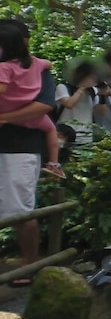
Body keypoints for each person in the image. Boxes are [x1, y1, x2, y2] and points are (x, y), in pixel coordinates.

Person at [0, 19, 58, 286]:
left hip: (20, 146)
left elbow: (45, 105)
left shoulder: (38, 69)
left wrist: (5, 117)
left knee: (20, 208)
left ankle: (29, 263)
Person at [0, 21, 63, 179]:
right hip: (32, 119)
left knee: (14, 200)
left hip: (17, 149)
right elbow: (49, 64)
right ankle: (54, 163)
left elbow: (45, 105)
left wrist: (4, 118)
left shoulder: (4, 68)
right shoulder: (35, 63)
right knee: (50, 129)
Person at [54, 62, 99, 157]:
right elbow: (69, 104)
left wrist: (107, 93)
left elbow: (100, 112)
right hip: (66, 137)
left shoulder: (93, 91)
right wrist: (81, 88)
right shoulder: (63, 87)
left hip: (86, 138)